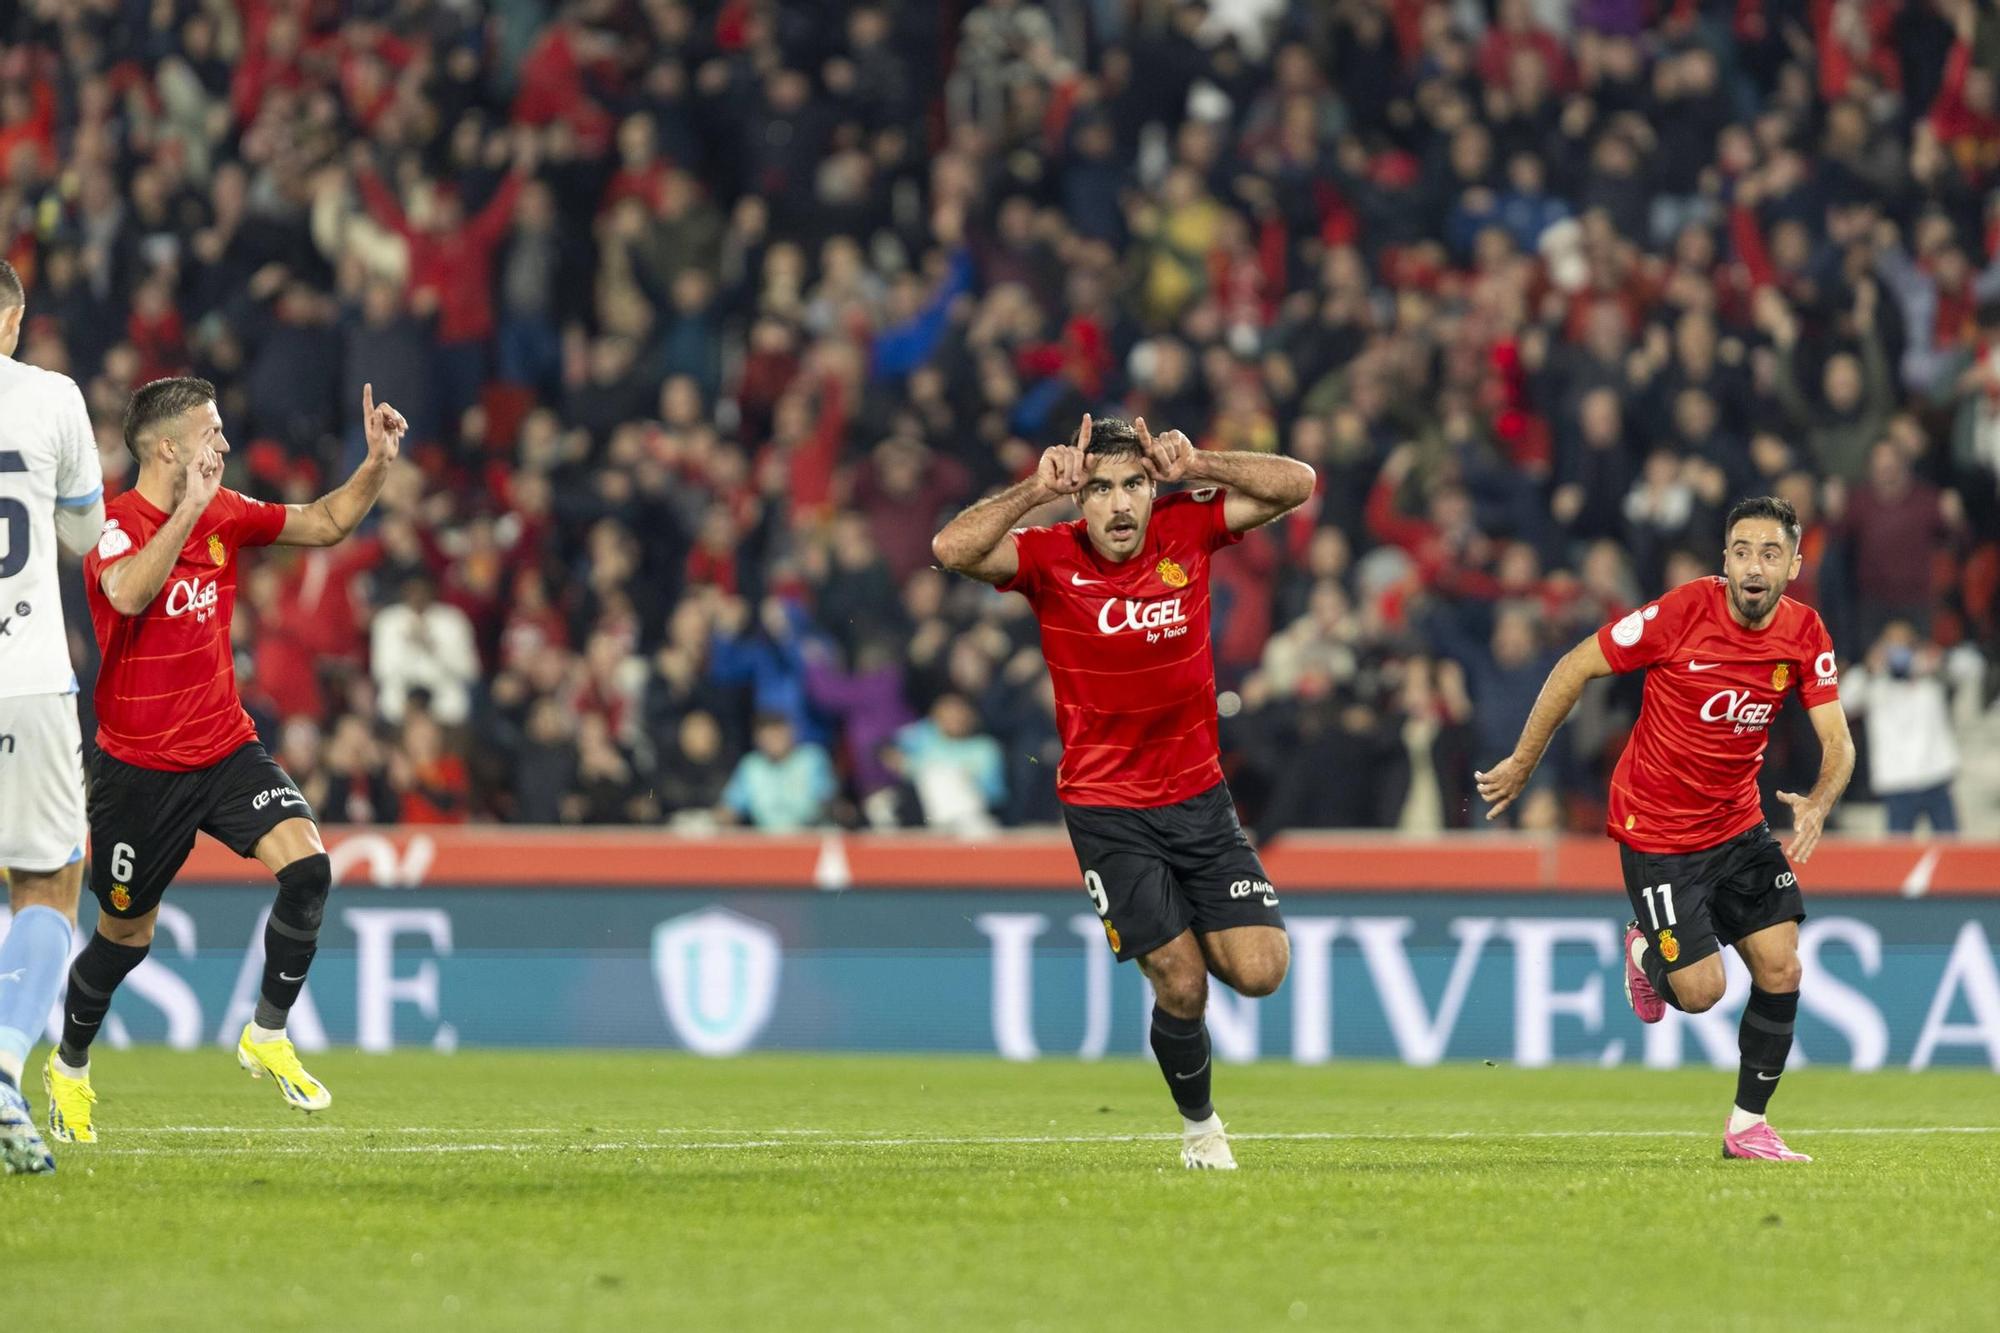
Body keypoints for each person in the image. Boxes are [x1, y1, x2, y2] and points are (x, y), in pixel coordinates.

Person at [931, 414, 1314, 1169]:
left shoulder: (1188, 527)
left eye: (1133, 484)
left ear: (1151, 486)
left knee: (1262, 969)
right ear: (1080, 499)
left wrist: (1201, 460)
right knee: (1181, 981)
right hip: (1109, 810)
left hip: (1200, 799)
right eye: (1100, 488)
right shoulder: (1048, 557)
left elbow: (1297, 483)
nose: (1118, 505)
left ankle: (1194, 935)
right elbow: (950, 548)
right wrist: (1031, 492)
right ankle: (1201, 1128)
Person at [42, 375, 407, 1146]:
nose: (226, 444)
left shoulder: (227, 512)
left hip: (225, 746)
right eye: (212, 433)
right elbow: (132, 595)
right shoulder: (111, 525)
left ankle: (266, 1033)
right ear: (168, 447)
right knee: (123, 940)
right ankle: (69, 1065)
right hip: (137, 771)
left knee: (309, 869)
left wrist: (375, 463)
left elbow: (326, 520)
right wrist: (187, 511)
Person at [1476, 496, 1855, 1163]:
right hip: (1658, 834)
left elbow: (1838, 741)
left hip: (1738, 824)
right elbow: (1576, 665)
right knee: (1701, 991)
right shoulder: (1681, 613)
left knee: (1781, 964)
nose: (1754, 565)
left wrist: (1821, 800)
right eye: (1742, 550)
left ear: (1794, 564)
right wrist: (1523, 761)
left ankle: (1747, 1125)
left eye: (1770, 552)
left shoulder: (1805, 632)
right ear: (1726, 560)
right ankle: (1645, 952)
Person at [0, 260, 104, 1174]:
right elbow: (81, 535)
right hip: (28, 672)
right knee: (47, 887)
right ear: (14, 318)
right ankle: (2, 1065)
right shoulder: (53, 396)